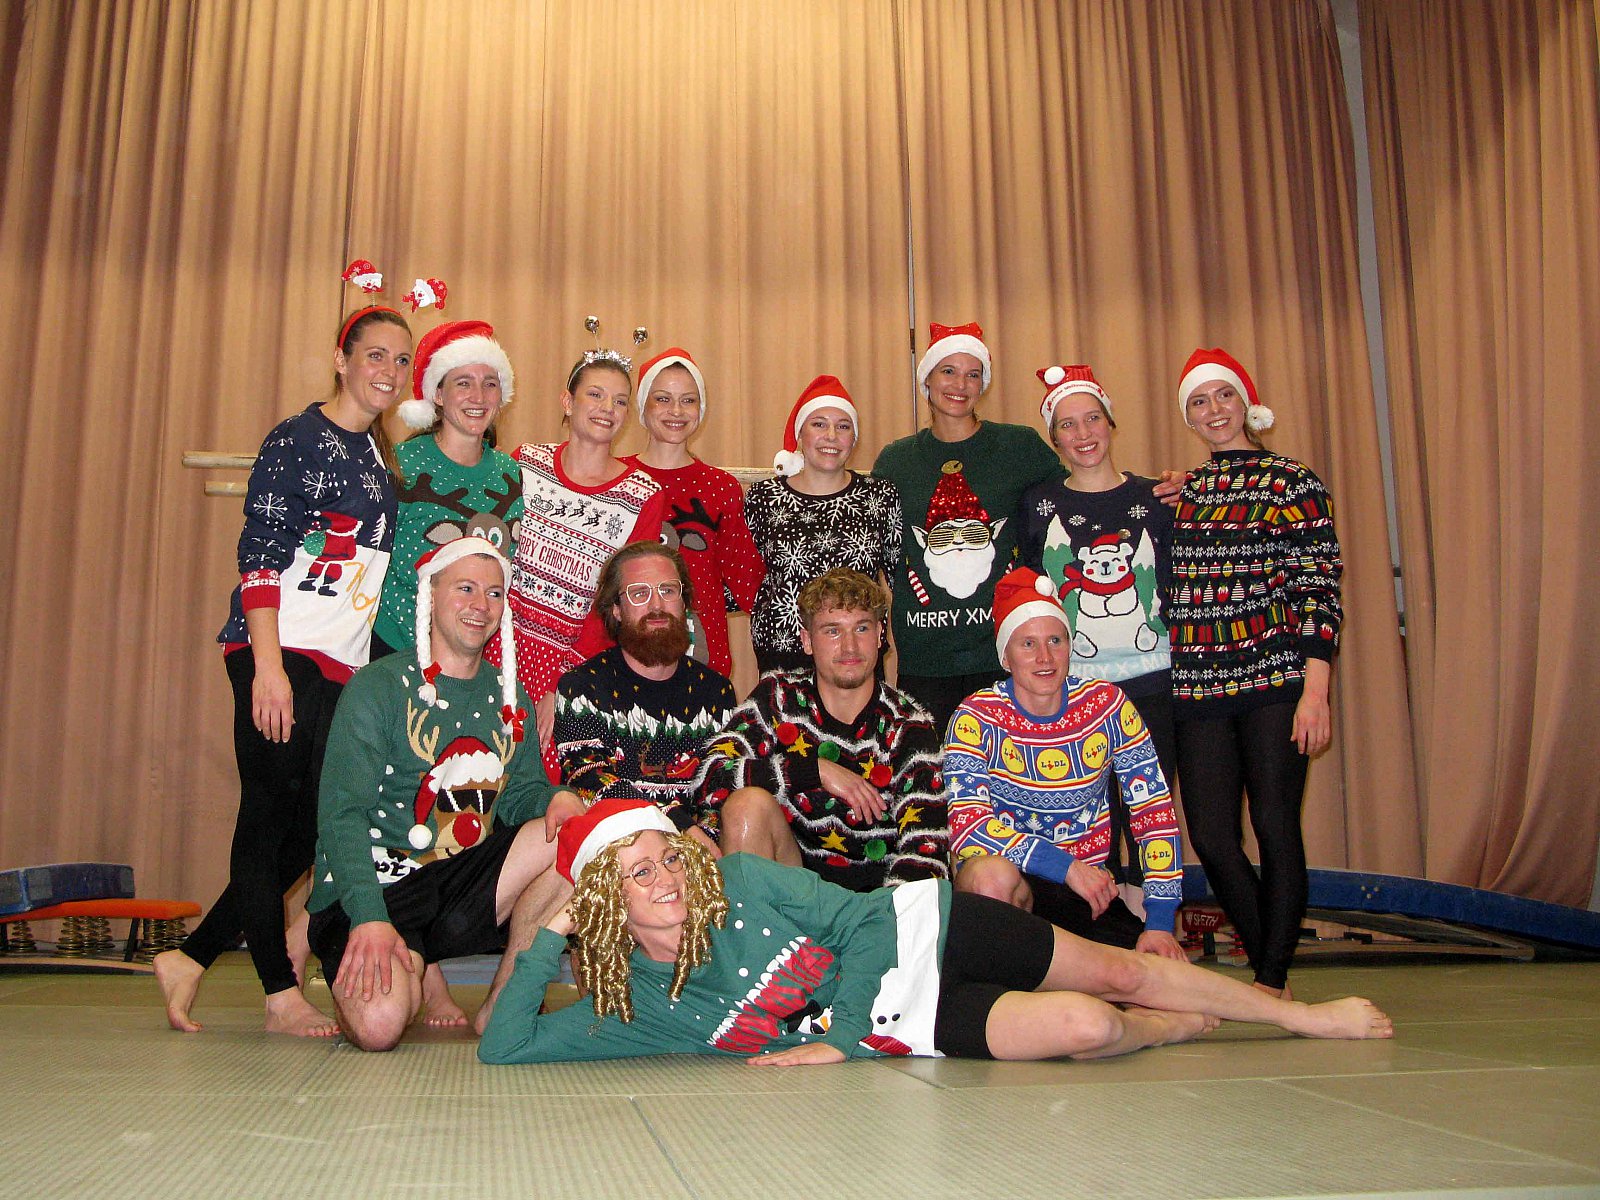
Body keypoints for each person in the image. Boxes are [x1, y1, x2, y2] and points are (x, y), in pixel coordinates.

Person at [477, 798, 1392, 1065]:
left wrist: (839, 1039)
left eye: (669, 858)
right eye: (638, 874)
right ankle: (1168, 1030)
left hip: (922, 929)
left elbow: (860, 925)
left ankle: (1296, 1013)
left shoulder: (740, 882)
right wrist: (553, 931)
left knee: (1118, 972)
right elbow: (505, 1046)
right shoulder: (635, 1010)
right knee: (1092, 1026)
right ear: (608, 906)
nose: (669, 880)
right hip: (907, 1025)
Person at [157, 305, 410, 1038]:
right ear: (341, 359)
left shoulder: (378, 455)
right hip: (281, 652)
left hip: (337, 664)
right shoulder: (297, 438)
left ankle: (191, 957)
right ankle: (277, 991)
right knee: (267, 819)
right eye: (375, 355)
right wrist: (266, 666)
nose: (388, 371)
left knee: (311, 828)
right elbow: (261, 553)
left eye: (401, 359)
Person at [306, 536, 583, 1049]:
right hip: (371, 891)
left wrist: (557, 798)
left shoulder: (510, 695)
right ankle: (406, 971)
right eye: (465, 589)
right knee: (379, 1026)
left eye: (494, 593)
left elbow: (520, 795)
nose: (481, 605)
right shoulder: (377, 687)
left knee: (577, 832)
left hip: (454, 887)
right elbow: (341, 815)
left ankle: (507, 1000)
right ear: (431, 595)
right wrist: (368, 917)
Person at [1168, 348, 1342, 998]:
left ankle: (1270, 979)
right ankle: (1271, 970)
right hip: (1197, 686)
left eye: (1223, 395)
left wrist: (1315, 692)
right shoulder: (1184, 492)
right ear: (1188, 414)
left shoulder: (1293, 482)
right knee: (1212, 837)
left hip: (1275, 681)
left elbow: (1320, 590)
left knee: (1274, 824)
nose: (1213, 410)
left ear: (1246, 402)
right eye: (1199, 401)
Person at [946, 568, 1186, 960]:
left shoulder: (1107, 705)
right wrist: (1066, 867)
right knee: (989, 877)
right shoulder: (976, 716)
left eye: (1055, 640)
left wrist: (1159, 921)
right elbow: (968, 827)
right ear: (1005, 656)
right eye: (1027, 643)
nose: (1044, 657)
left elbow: (1153, 810)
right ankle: (1004, 984)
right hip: (1016, 886)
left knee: (1164, 984)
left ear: (1070, 647)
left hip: (1086, 893)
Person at [1015, 364, 1177, 886]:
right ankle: (1100, 927)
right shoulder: (1038, 505)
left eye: (1092, 419)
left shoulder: (1158, 499)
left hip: (1153, 685)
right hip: (1077, 692)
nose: (1082, 433)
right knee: (1089, 823)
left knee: (1147, 818)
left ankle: (1152, 919)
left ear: (1110, 423)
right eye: (1067, 424)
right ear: (1054, 438)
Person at [697, 569, 948, 891]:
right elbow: (710, 776)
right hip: (791, 893)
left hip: (875, 902)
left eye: (861, 628)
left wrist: (880, 916)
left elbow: (926, 849)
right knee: (745, 805)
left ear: (880, 634)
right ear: (806, 640)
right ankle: (755, 924)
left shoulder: (909, 726)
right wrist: (813, 771)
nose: (849, 646)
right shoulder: (777, 699)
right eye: (832, 631)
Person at [872, 323, 1064, 735]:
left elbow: (1077, 494)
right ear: (926, 379)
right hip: (925, 656)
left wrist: (1156, 489)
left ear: (983, 384)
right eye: (948, 371)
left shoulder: (1018, 447)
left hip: (1004, 648)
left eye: (972, 374)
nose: (960, 385)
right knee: (929, 770)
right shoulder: (895, 461)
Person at [509, 348, 668, 771]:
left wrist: (564, 685)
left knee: (548, 785)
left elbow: (621, 600)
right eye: (595, 395)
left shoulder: (643, 496)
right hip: (499, 652)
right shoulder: (524, 463)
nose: (607, 408)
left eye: (619, 401)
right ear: (568, 401)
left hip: (576, 666)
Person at [554, 542, 736, 846]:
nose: (657, 605)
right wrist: (678, 826)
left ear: (684, 602)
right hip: (620, 850)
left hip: (704, 853)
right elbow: (589, 780)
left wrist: (703, 846)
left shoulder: (717, 692)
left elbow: (723, 788)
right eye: (639, 593)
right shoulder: (582, 688)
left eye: (668, 590)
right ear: (616, 609)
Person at [373, 319, 524, 659]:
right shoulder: (399, 465)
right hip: (394, 651)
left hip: (469, 658)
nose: (478, 397)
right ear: (438, 394)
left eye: (490, 384)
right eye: (463, 383)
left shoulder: (510, 472)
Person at [745, 375, 901, 675]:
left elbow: (899, 578)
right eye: (819, 424)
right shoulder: (764, 497)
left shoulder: (880, 495)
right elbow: (745, 578)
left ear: (854, 437)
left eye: (843, 426)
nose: (831, 436)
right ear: (800, 433)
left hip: (857, 654)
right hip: (784, 651)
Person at [623, 348, 764, 677]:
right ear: (643, 405)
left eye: (688, 400)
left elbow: (749, 581)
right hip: (625, 656)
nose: (676, 411)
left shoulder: (721, 487)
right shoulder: (618, 478)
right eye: (663, 399)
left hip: (701, 658)